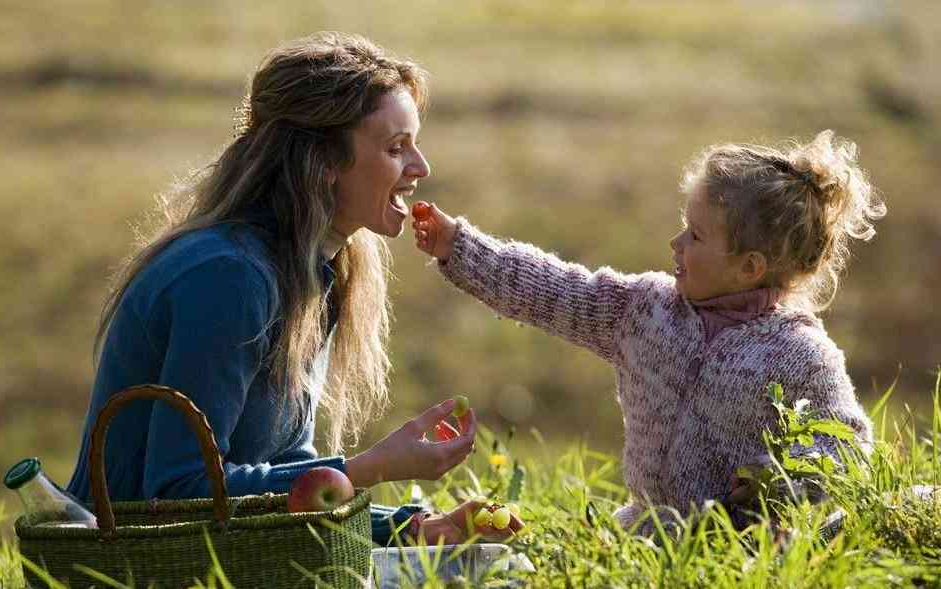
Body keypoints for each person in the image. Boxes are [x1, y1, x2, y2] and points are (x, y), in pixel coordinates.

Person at [65, 32, 520, 546]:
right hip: (126, 563)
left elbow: (280, 481)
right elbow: (178, 493)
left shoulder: (314, 273)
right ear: (324, 164)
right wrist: (370, 466)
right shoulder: (228, 280)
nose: (421, 167)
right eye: (396, 148)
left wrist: (413, 530)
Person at [412, 130, 884, 533]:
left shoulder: (800, 354)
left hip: (743, 545)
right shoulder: (646, 309)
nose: (676, 244)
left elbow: (847, 445)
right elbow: (553, 290)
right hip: (644, 528)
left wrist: (777, 479)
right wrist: (460, 247)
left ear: (749, 267)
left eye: (695, 236)